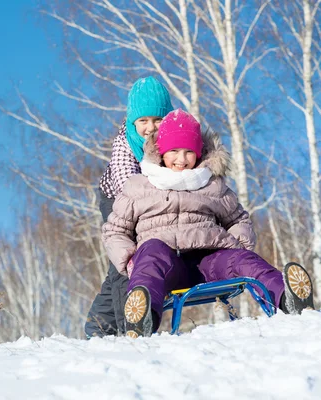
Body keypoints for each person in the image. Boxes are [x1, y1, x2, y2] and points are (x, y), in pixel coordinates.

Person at [102, 109, 315, 338]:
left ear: (199, 153)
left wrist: (238, 245)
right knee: (151, 254)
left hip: (210, 260)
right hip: (167, 266)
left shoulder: (211, 184)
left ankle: (289, 298)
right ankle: (143, 320)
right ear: (161, 151)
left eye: (188, 152)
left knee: (242, 260)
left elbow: (238, 218)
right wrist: (130, 260)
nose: (181, 160)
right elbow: (115, 231)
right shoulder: (139, 186)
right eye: (174, 151)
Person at [85, 76, 220, 338]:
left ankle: (98, 326)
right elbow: (132, 194)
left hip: (154, 199)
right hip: (120, 200)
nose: (149, 127)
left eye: (157, 120)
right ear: (132, 121)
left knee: (143, 260)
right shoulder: (124, 147)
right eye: (143, 121)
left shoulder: (173, 140)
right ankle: (130, 329)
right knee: (127, 260)